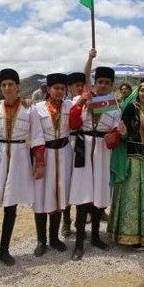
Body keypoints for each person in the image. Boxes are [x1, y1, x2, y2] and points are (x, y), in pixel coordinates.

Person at [0, 69, 45, 270]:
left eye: (10, 84)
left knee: (11, 205)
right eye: (3, 85)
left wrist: (39, 163)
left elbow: (37, 138)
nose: (7, 88)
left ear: (17, 86)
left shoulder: (30, 109)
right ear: (0, 87)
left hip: (20, 155)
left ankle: (4, 250)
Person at [68, 55, 121, 260]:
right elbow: (72, 123)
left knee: (99, 196)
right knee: (83, 197)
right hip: (84, 146)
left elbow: (118, 132)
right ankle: (79, 243)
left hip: (102, 151)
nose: (103, 85)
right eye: (100, 82)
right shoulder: (82, 100)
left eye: (107, 83)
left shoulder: (114, 106)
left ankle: (96, 237)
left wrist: (114, 136)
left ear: (111, 84)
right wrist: (82, 103)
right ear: (95, 83)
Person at [108, 81, 144, 248]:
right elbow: (123, 132)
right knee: (131, 195)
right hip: (133, 157)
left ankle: (143, 235)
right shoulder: (131, 108)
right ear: (138, 92)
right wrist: (123, 133)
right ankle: (127, 235)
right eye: (142, 90)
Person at [32, 73, 74, 256]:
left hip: (64, 154)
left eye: (62, 88)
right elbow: (35, 136)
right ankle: (41, 240)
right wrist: (39, 162)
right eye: (55, 88)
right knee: (41, 196)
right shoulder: (37, 108)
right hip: (45, 155)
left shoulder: (70, 106)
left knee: (59, 195)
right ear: (48, 89)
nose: (59, 91)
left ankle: (54, 238)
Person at [60, 71, 86, 237]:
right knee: (67, 182)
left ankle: (80, 219)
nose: (80, 88)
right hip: (69, 144)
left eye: (82, 85)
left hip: (85, 144)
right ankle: (66, 220)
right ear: (69, 88)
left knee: (81, 183)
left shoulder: (89, 102)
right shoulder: (66, 105)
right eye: (77, 85)